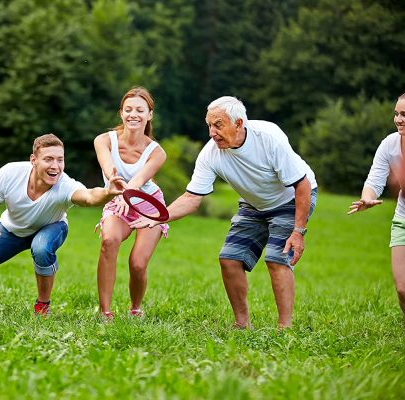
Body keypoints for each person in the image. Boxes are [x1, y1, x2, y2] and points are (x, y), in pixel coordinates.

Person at [132, 96, 317, 329]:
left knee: (276, 258)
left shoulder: (268, 138)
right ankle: (241, 324)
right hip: (253, 203)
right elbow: (191, 198)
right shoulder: (211, 154)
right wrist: (157, 217)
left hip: (291, 198)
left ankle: (284, 329)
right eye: (209, 125)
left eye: (218, 125)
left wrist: (298, 231)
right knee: (229, 259)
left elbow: (302, 185)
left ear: (239, 123)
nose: (212, 132)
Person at [0, 133, 125, 315]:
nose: (55, 166)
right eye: (48, 159)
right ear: (33, 160)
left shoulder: (65, 185)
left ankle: (42, 305)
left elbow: (89, 197)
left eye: (60, 160)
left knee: (41, 247)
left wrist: (108, 192)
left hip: (52, 228)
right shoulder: (10, 173)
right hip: (10, 229)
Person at [94, 86, 168, 320]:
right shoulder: (104, 140)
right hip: (117, 200)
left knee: (137, 263)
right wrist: (115, 183)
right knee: (109, 240)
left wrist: (128, 192)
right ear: (121, 113)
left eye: (139, 110)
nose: (133, 114)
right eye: (128, 110)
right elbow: (108, 167)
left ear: (149, 115)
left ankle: (135, 307)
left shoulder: (157, 152)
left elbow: (138, 180)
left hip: (148, 204)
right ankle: (105, 311)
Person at [348, 93, 405, 315]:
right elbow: (375, 179)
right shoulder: (390, 145)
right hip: (403, 219)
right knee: (402, 290)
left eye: (404, 114)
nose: (399, 119)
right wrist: (368, 197)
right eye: (397, 114)